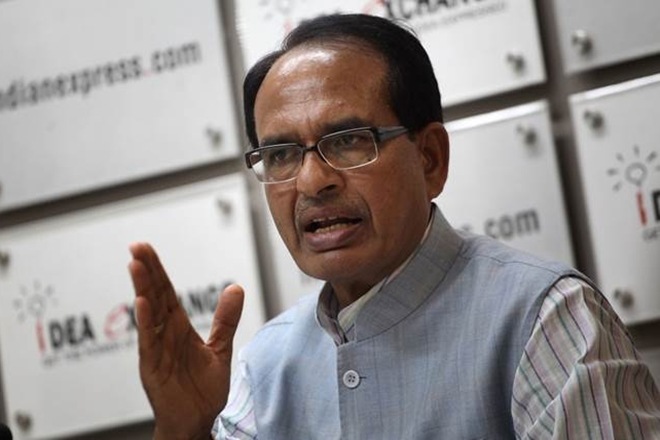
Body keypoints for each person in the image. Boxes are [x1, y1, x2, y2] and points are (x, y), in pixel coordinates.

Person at [128, 13, 660, 440]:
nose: (311, 181)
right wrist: (185, 432)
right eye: (281, 153)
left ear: (430, 159)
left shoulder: (544, 319)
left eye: (348, 141)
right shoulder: (264, 367)